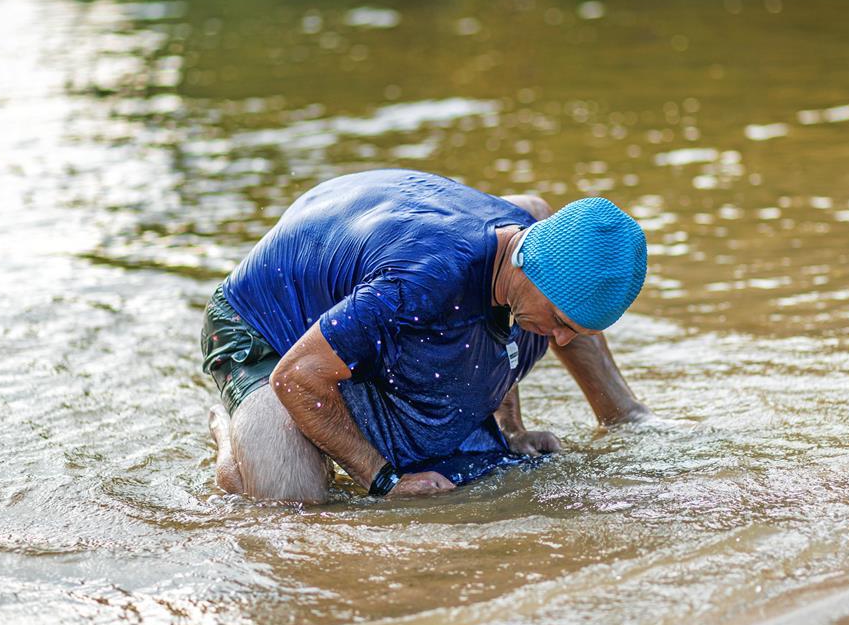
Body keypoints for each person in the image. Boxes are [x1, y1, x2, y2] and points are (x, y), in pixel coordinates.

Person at [201, 168, 650, 502]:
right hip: (261, 326)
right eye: (561, 321)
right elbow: (295, 376)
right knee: (290, 498)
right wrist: (383, 480)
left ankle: (621, 410)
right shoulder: (419, 283)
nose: (562, 341)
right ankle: (231, 434)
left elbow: (501, 327)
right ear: (527, 265)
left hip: (363, 265)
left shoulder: (528, 228)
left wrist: (512, 428)